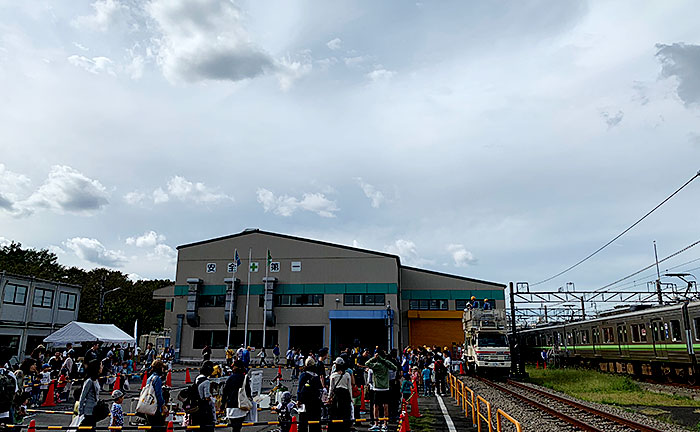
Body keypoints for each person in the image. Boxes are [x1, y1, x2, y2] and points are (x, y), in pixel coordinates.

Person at [365, 351, 397, 432]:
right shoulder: (386, 365)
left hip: (377, 388)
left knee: (376, 406)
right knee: (385, 405)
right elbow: (394, 367)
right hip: (386, 388)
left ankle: (376, 423)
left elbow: (367, 363)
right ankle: (385, 424)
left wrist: (374, 358)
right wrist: (384, 360)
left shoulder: (376, 365)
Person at [222, 360, 251, 432]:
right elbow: (248, 392)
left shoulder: (230, 378)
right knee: (238, 426)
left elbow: (225, 392)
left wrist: (223, 404)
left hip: (231, 406)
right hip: (241, 405)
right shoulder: (245, 378)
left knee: (234, 426)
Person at [297, 357, 322, 432]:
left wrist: (298, 399)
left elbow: (300, 388)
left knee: (303, 420)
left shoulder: (303, 375)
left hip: (305, 400)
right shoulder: (316, 376)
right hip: (315, 401)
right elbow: (319, 388)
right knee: (315, 420)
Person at [327, 358, 352, 432]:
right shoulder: (347, 375)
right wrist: (351, 398)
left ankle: (335, 428)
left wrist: (329, 397)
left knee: (335, 412)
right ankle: (345, 428)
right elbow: (349, 387)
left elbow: (331, 388)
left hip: (337, 395)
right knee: (345, 412)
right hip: (345, 395)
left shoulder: (333, 375)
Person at [191, 361, 216, 431]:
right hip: (203, 408)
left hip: (196, 406)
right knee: (207, 427)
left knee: (196, 427)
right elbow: (206, 396)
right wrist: (212, 399)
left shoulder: (197, 378)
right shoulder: (206, 381)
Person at [79, 359, 102, 427]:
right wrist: (80, 411)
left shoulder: (96, 379)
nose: (102, 367)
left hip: (94, 410)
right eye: (100, 366)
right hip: (88, 411)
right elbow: (82, 396)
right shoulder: (89, 381)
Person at [146, 360, 168, 427]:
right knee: (158, 426)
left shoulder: (150, 377)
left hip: (148, 405)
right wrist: (163, 405)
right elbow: (158, 394)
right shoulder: (157, 379)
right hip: (155, 407)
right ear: (159, 368)